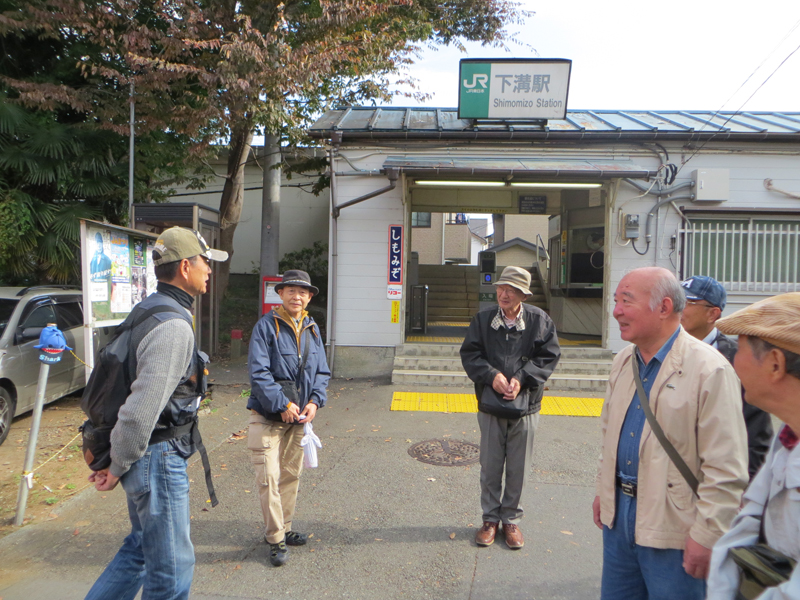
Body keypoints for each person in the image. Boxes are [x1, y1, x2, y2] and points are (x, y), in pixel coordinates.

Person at [84, 227, 228, 600]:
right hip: (157, 458)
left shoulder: (149, 308)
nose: (209, 270)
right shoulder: (173, 326)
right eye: (205, 262)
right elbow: (140, 410)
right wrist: (117, 466)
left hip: (145, 456)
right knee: (171, 569)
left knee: (141, 550)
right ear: (185, 267)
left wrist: (117, 461)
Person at [593, 266, 748, 600]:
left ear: (664, 307)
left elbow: (726, 466)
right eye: (616, 301)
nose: (616, 311)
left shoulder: (710, 369)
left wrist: (708, 533)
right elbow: (609, 434)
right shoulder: (623, 361)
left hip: (676, 525)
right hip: (619, 518)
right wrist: (603, 491)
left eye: (626, 301)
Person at [707, 293, 800, 600]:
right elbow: (749, 519)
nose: (733, 361)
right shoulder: (788, 435)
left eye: (741, 349)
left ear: (775, 364)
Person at [460, 266, 561, 550]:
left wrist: (521, 378)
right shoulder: (482, 320)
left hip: (526, 405)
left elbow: (549, 356)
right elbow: (470, 354)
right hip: (490, 406)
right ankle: (490, 519)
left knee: (519, 467)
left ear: (524, 296)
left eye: (512, 290)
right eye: (501, 288)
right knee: (490, 466)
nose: (504, 294)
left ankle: (511, 520)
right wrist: (491, 375)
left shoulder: (540, 321)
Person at [247, 269, 331, 567]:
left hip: (299, 418)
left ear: (309, 297)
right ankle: (274, 538)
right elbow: (258, 372)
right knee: (268, 478)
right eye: (291, 290)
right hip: (268, 415)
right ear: (280, 293)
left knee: (291, 475)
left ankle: (285, 527)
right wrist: (281, 403)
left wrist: (315, 401)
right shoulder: (266, 326)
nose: (297, 296)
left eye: (303, 292)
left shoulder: (312, 327)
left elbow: (322, 370)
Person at [680, 275, 773, 479]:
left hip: (719, 479)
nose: (678, 309)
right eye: (676, 300)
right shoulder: (659, 352)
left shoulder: (740, 359)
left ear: (712, 314)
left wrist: (743, 487)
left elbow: (755, 434)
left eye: (688, 302)